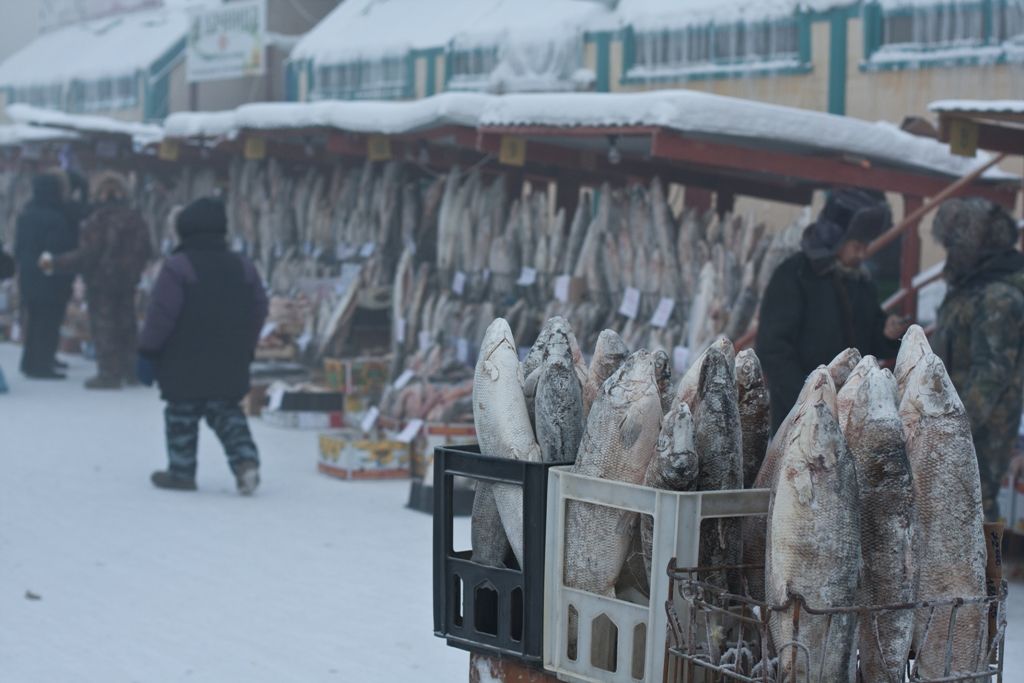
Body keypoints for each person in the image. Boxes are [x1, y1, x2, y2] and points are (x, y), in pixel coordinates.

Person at [137, 197, 268, 495]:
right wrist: (247, 345)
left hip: (182, 359)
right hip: (229, 357)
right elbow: (260, 307)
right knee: (227, 412)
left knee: (182, 414)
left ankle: (182, 472)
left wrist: (148, 351)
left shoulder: (178, 267)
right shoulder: (243, 266)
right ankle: (245, 462)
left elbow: (161, 315)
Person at [757, 188, 910, 433]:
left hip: (849, 416)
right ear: (835, 237)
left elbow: (869, 339)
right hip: (798, 417)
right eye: (856, 244)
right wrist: (809, 397)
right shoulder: (795, 275)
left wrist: (887, 334)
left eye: (865, 245)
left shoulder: (861, 281)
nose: (862, 252)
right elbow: (773, 348)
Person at [930, 197, 1024, 522]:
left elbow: (991, 375)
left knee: (978, 508)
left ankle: (991, 574)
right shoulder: (973, 285)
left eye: (952, 246)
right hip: (956, 426)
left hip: (979, 434)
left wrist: (952, 430)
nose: (949, 256)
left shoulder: (997, 296)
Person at [41, 172, 152, 388]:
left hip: (101, 282)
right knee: (127, 324)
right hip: (128, 281)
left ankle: (109, 374)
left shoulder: (97, 219)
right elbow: (148, 250)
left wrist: (55, 262)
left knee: (104, 327)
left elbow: (87, 254)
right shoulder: (136, 218)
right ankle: (131, 371)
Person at [14, 172, 76, 379]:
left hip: (29, 275)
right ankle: (42, 364)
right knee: (48, 322)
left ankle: (31, 361)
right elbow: (58, 248)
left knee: (34, 321)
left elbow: (18, 248)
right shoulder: (56, 217)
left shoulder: (26, 214)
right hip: (51, 277)